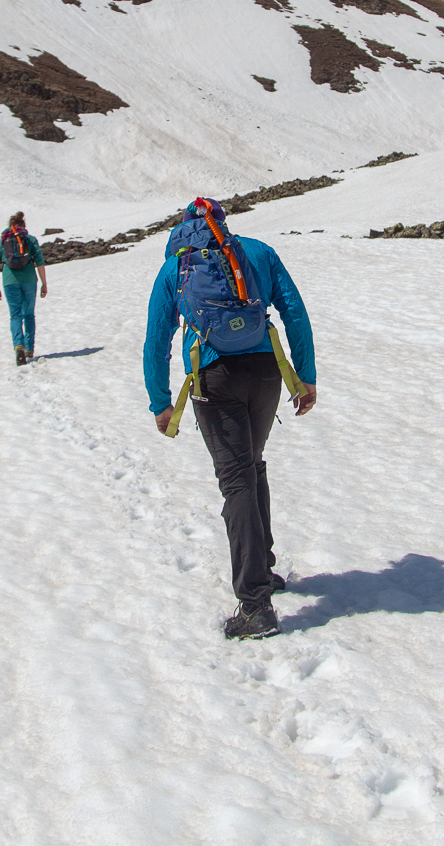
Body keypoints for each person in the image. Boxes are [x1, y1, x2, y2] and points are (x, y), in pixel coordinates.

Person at [144, 197, 318, 640]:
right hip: (265, 373)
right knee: (252, 465)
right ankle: (263, 567)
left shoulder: (175, 270)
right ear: (224, 224)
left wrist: (160, 401)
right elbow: (294, 312)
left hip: (213, 378)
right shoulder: (257, 252)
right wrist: (306, 376)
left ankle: (255, 604)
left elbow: (156, 338)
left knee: (237, 478)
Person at [0, 211, 48, 366]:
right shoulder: (30, 240)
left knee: (15, 315)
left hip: (9, 281)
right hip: (29, 279)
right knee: (29, 314)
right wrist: (44, 283)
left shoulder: (1, 242)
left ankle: (18, 345)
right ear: (23, 225)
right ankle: (29, 348)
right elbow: (39, 262)